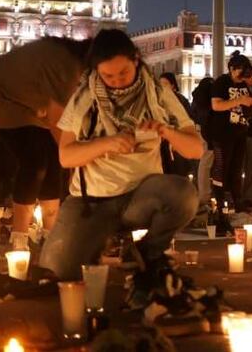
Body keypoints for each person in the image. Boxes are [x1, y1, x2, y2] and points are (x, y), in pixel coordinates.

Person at [40, 29, 202, 281]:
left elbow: (195, 149)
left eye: (123, 73)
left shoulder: (158, 93)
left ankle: (145, 254)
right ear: (97, 70)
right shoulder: (84, 97)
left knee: (184, 194)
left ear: (136, 59)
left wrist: (165, 130)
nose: (117, 81)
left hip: (140, 198)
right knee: (58, 272)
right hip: (92, 202)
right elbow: (66, 156)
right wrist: (107, 143)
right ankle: (98, 241)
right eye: (108, 76)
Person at [0, 36, 91, 248]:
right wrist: (75, 156)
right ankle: (19, 237)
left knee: (53, 161)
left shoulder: (68, 60)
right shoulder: (66, 65)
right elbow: (58, 122)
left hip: (28, 106)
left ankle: (50, 234)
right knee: (35, 162)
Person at [208, 52, 252, 207]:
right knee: (222, 167)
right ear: (231, 69)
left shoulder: (244, 84)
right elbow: (216, 105)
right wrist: (240, 100)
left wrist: (250, 102)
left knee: (237, 168)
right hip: (223, 133)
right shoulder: (222, 82)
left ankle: (237, 200)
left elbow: (248, 101)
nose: (242, 75)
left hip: (240, 131)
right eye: (240, 70)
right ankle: (219, 201)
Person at [159, 73, 197, 178]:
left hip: (178, 139)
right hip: (164, 141)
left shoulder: (180, 100)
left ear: (173, 85)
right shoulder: (158, 100)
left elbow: (188, 119)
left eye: (165, 84)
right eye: (160, 84)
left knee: (179, 168)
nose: (162, 87)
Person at [189, 76, 216, 205]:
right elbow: (207, 117)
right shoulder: (208, 100)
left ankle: (202, 192)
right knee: (206, 162)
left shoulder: (196, 97)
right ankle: (205, 194)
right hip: (207, 130)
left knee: (202, 162)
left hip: (198, 129)